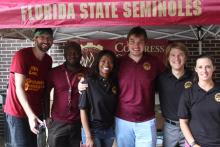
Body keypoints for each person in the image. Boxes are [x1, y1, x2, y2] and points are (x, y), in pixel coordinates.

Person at [78, 26, 164, 147]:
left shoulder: (155, 62)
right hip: (122, 120)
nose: (136, 45)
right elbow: (99, 74)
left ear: (146, 43)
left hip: (147, 120)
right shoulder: (119, 63)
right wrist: (82, 81)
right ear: (127, 43)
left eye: (140, 42)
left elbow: (168, 80)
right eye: (133, 41)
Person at [4, 28, 53, 147]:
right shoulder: (22, 55)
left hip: (36, 111)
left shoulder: (48, 60)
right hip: (18, 112)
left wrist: (46, 115)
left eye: (49, 38)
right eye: (42, 37)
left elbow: (45, 91)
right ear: (35, 39)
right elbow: (19, 88)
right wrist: (31, 116)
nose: (46, 40)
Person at [46, 42, 88, 147]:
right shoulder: (54, 72)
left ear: (81, 55)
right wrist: (46, 116)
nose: (72, 55)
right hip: (57, 123)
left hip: (80, 123)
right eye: (69, 53)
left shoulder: (89, 73)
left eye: (75, 53)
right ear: (64, 55)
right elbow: (45, 94)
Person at [79, 50, 119, 147]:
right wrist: (88, 136)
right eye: (103, 61)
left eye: (110, 61)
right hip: (92, 131)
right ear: (97, 63)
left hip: (109, 131)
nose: (107, 64)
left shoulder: (115, 83)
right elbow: (82, 110)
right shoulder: (88, 81)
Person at [178, 54, 220, 147]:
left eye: (208, 67)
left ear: (214, 68)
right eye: (200, 67)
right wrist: (193, 144)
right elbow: (183, 122)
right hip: (196, 144)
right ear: (196, 69)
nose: (204, 70)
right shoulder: (188, 93)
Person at [156, 42, 193, 147]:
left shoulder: (194, 77)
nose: (176, 58)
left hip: (191, 125)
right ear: (168, 58)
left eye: (180, 54)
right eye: (173, 55)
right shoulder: (161, 78)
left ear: (185, 57)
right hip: (170, 127)